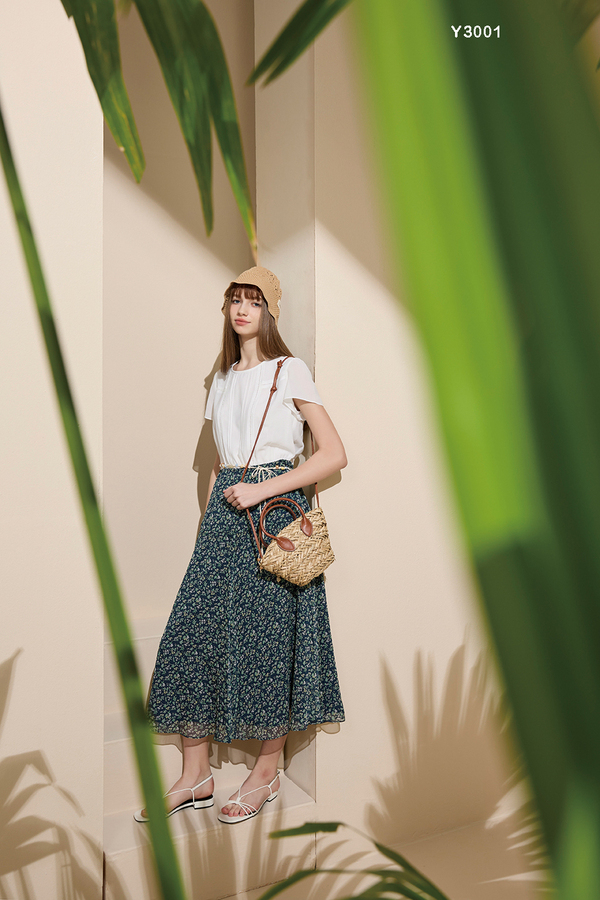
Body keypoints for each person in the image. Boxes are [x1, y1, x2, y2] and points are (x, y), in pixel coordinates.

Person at [135, 266, 346, 825]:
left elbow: (332, 453)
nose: (242, 310)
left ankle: (266, 770)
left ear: (269, 312)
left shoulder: (289, 370)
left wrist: (261, 489)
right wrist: (209, 526)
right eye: (235, 300)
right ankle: (194, 775)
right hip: (225, 516)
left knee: (270, 638)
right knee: (193, 634)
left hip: (273, 513)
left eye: (254, 301)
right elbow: (217, 464)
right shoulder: (223, 378)